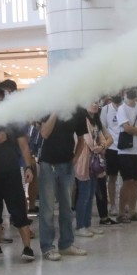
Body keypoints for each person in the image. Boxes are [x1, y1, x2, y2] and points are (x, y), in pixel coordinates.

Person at [0, 87, 37, 262]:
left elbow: (24, 146)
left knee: (19, 211)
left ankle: (27, 248)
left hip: (12, 172)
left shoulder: (13, 122)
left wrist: (29, 167)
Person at [38, 108, 89, 260]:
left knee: (67, 207)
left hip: (67, 165)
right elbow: (44, 133)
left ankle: (66, 244)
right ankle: (47, 247)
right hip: (48, 164)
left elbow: (81, 139)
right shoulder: (47, 107)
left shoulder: (79, 111)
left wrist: (75, 158)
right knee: (47, 209)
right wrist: (55, 112)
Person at [75, 101, 112, 237]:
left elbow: (105, 139)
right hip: (85, 162)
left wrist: (102, 146)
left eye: (97, 102)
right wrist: (101, 146)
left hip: (94, 161)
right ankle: (80, 226)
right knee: (84, 195)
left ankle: (87, 224)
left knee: (90, 195)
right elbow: (89, 142)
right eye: (91, 101)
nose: (94, 104)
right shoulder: (82, 120)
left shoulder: (95, 121)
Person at [116, 87, 137, 222]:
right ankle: (121, 212)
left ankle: (132, 211)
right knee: (127, 181)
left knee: (135, 182)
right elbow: (127, 128)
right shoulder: (122, 109)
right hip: (125, 152)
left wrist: (135, 130)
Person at [100, 93, 123, 217]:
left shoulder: (125, 107)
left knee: (125, 178)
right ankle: (113, 205)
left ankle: (123, 205)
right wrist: (104, 146)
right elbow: (103, 129)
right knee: (112, 177)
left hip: (125, 148)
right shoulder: (106, 109)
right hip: (111, 148)